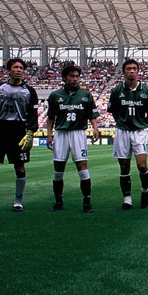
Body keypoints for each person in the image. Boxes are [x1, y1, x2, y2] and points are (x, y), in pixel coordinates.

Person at [0, 58, 39, 212]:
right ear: (8, 70)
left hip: (19, 129)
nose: (19, 70)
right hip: (1, 128)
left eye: (21, 68)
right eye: (15, 67)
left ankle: (18, 200)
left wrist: (30, 132)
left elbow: (33, 114)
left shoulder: (29, 91)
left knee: (19, 168)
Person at [46, 65, 101, 213]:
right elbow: (50, 117)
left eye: (77, 76)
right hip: (61, 133)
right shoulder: (55, 95)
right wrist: (49, 134)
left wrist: (95, 128)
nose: (75, 79)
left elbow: (92, 114)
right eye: (71, 76)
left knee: (82, 167)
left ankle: (87, 203)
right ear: (65, 78)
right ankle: (58, 202)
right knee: (58, 168)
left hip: (78, 133)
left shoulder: (85, 94)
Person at [108, 59, 148, 210]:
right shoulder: (117, 90)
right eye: (129, 68)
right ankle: (127, 200)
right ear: (124, 71)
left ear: (138, 71)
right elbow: (113, 111)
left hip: (139, 131)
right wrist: (120, 122)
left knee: (141, 165)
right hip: (122, 131)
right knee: (124, 167)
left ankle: (145, 191)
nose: (132, 71)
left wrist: (145, 123)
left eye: (134, 68)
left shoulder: (146, 90)